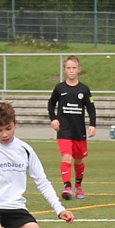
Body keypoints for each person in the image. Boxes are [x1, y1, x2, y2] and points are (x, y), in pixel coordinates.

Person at [48, 55, 97, 200]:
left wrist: (92, 125)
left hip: (79, 131)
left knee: (78, 160)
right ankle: (67, 187)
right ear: (64, 70)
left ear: (79, 70)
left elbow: (91, 108)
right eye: (68, 68)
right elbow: (51, 104)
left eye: (74, 68)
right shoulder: (60, 88)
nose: (71, 70)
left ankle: (78, 186)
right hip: (64, 130)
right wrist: (53, 119)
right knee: (67, 157)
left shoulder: (84, 89)